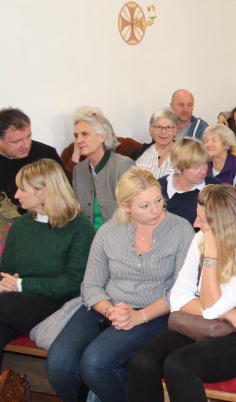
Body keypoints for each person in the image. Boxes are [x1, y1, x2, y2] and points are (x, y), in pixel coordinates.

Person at [46, 167, 194, 402]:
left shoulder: (181, 229)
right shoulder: (107, 232)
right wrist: (109, 310)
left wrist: (139, 316)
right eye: (144, 206)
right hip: (107, 306)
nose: (156, 210)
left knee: (96, 363)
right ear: (125, 206)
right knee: (59, 365)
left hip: (156, 311)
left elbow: (180, 291)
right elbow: (91, 285)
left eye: (158, 200)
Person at [127, 185, 236, 402]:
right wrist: (230, 313)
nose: (196, 224)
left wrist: (211, 256)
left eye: (202, 220)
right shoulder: (201, 238)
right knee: (142, 362)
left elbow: (212, 307)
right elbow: (178, 298)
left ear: (223, 225)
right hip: (206, 323)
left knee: (179, 365)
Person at [0, 160, 93, 352]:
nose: (16, 195)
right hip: (19, 301)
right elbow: (6, 269)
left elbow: (74, 282)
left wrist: (22, 285)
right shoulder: (21, 225)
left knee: (5, 304)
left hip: (59, 301)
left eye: (21, 189)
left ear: (42, 192)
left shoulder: (79, 227)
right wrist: (4, 283)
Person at [72, 109, 136, 229]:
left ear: (102, 137)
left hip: (119, 237)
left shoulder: (123, 165)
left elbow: (133, 213)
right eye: (76, 136)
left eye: (85, 134)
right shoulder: (78, 170)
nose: (78, 140)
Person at [0, 107, 63, 202]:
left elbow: (64, 193)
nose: (26, 145)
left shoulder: (46, 154)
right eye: (17, 141)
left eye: (29, 136)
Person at [159, 138, 218, 225]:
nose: (203, 171)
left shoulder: (215, 188)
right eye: (195, 167)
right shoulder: (159, 188)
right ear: (178, 168)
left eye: (205, 163)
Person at [136, 109, 179, 180]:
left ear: (175, 131)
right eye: (158, 127)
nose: (163, 132)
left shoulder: (184, 154)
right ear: (151, 130)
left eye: (168, 127)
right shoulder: (140, 152)